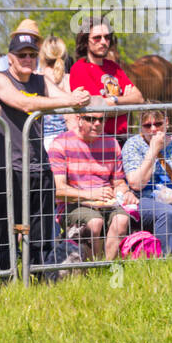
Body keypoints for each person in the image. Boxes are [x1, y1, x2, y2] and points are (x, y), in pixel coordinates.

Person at [0, 28, 91, 275]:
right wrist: (71, 101)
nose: (27, 59)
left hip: (40, 167)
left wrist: (82, 97)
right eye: (21, 54)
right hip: (10, 168)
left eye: (31, 54)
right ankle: (8, 280)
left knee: (42, 231)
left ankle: (42, 278)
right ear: (10, 57)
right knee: (10, 229)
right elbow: (25, 103)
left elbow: (65, 100)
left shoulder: (40, 79)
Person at [49, 110, 137, 261]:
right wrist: (90, 195)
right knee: (95, 222)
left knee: (122, 219)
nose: (97, 124)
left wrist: (125, 192)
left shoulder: (112, 143)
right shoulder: (60, 144)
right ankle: (92, 268)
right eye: (91, 119)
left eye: (101, 120)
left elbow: (118, 182)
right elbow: (58, 189)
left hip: (106, 202)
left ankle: (107, 266)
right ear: (79, 119)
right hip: (72, 204)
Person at [122, 108, 172, 256]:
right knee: (168, 213)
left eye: (158, 124)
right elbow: (135, 184)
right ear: (141, 127)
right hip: (144, 199)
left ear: (166, 123)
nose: (153, 129)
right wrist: (153, 151)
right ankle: (166, 261)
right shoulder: (132, 144)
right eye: (147, 125)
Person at [69, 18, 144, 137]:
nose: (103, 42)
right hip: (99, 140)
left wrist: (114, 100)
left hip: (123, 138)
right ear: (85, 41)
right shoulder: (79, 68)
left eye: (107, 37)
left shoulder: (114, 67)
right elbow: (96, 108)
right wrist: (127, 103)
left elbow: (139, 98)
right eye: (97, 38)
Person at [39, 34, 73, 152]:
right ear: (64, 55)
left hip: (41, 141)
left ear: (42, 56)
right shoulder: (68, 79)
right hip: (66, 140)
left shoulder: (36, 77)